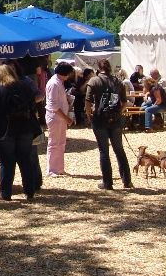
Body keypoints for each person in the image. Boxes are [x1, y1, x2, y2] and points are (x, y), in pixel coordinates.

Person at [0, 63, 40, 201]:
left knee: (6, 162)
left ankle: (5, 193)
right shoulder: (25, 87)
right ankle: (29, 191)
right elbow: (33, 105)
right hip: (25, 128)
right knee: (25, 160)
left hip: (5, 130)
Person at [85, 59, 132, 190]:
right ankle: (127, 181)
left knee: (104, 151)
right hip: (116, 120)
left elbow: (88, 100)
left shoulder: (94, 81)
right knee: (119, 150)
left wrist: (89, 115)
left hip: (100, 119)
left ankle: (107, 183)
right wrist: (118, 113)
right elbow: (124, 103)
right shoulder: (118, 81)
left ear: (98, 68)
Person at [44, 62, 74, 177]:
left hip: (60, 117)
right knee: (54, 143)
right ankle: (51, 169)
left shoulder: (59, 82)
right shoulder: (53, 83)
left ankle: (59, 168)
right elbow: (53, 106)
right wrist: (67, 118)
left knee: (61, 143)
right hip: (55, 117)